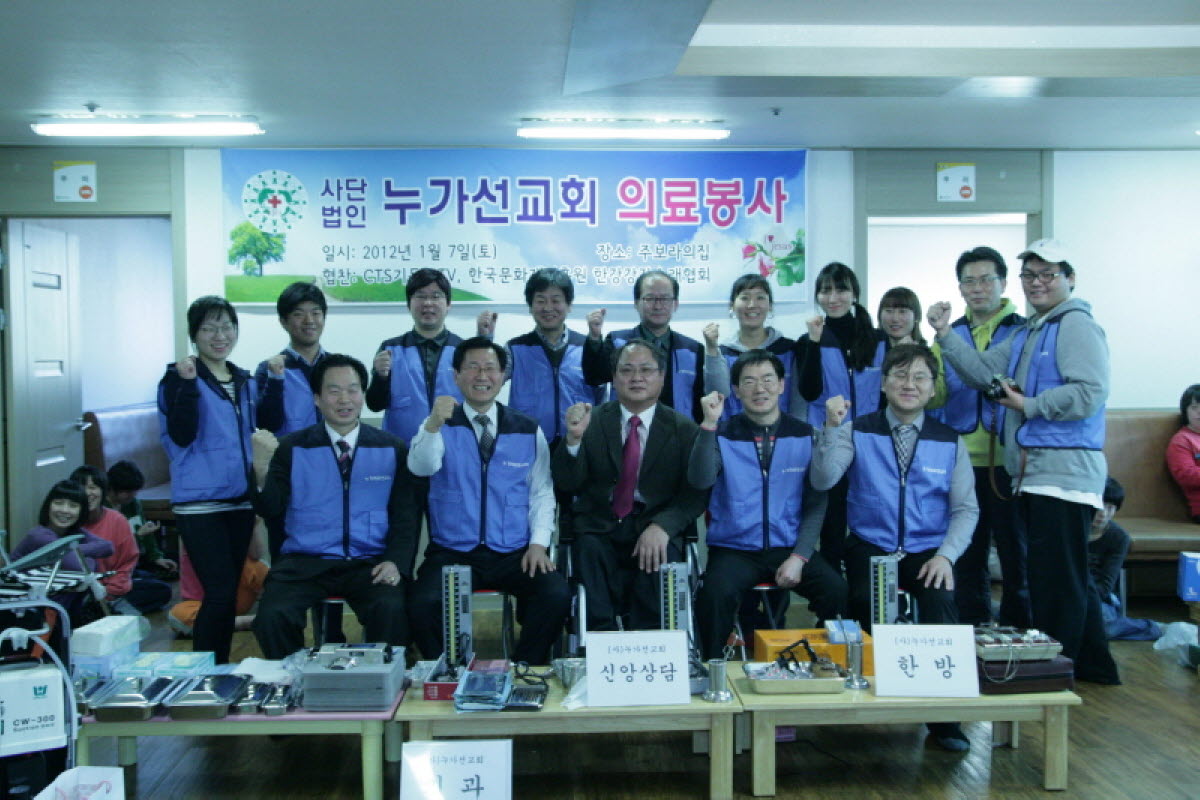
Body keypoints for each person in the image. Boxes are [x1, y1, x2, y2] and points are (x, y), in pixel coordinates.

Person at [928, 238, 1120, 685]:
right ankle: (1094, 667)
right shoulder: (1031, 331)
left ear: (1070, 278)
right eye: (1030, 275)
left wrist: (1029, 405)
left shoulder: (1076, 325)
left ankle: (1053, 673)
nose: (1038, 283)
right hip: (1036, 472)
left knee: (1055, 582)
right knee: (1066, 576)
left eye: (1048, 274)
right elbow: (981, 373)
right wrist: (944, 335)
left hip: (1064, 472)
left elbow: (1090, 392)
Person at [811, 343, 979, 751]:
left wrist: (946, 556)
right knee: (865, 600)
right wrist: (831, 428)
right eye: (900, 376)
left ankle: (945, 720)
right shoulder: (857, 429)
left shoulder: (949, 441)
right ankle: (870, 700)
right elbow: (823, 479)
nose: (910, 384)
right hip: (871, 544)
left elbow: (966, 509)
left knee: (942, 604)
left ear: (932, 388)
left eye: (920, 377)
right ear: (884, 384)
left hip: (927, 550)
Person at [406, 337, 569, 663]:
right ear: (456, 376)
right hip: (453, 550)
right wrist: (433, 424)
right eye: (473, 367)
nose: (482, 375)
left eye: (490, 368)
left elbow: (541, 492)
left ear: (503, 375)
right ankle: (448, 671)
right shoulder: (438, 424)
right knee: (421, 604)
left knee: (555, 594)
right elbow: (420, 467)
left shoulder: (527, 429)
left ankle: (525, 666)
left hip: (514, 552)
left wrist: (539, 544)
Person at [250, 354, 419, 660]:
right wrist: (261, 470)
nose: (344, 399)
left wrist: (395, 561)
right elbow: (270, 509)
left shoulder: (391, 447)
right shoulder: (292, 448)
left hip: (368, 562)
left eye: (353, 390)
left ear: (363, 395)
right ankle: (294, 677)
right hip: (304, 562)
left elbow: (405, 515)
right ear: (317, 398)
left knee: (392, 608)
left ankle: (382, 680)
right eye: (334, 391)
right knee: (272, 616)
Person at [689, 351, 848, 661]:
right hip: (734, 549)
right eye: (749, 382)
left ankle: (830, 663)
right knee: (713, 597)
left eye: (767, 380)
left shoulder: (805, 435)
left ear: (781, 386)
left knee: (836, 590)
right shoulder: (722, 433)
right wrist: (708, 424)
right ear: (736, 391)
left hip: (788, 547)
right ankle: (712, 669)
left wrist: (799, 557)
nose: (759, 389)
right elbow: (700, 479)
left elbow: (817, 503)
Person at [553, 340, 707, 632]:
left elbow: (694, 496)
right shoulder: (592, 421)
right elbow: (567, 482)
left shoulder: (684, 429)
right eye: (627, 370)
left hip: (653, 524)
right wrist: (573, 440)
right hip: (599, 525)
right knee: (588, 554)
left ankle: (649, 646)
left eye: (646, 370)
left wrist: (662, 527)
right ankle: (598, 646)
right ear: (614, 377)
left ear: (661, 376)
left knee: (659, 563)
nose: (636, 378)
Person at [929, 247, 1030, 628]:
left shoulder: (1023, 330)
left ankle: (1020, 633)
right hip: (959, 460)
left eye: (986, 279)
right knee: (967, 552)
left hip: (1009, 460)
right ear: (959, 287)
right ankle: (973, 629)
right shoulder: (949, 333)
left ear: (1003, 283)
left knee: (1015, 551)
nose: (978, 288)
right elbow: (937, 394)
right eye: (969, 281)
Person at [157, 295, 257, 664]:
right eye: (209, 328)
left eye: (227, 327)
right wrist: (187, 384)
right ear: (194, 334)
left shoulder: (243, 380)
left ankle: (218, 670)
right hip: (199, 503)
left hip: (240, 500)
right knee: (217, 592)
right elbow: (181, 434)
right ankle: (206, 675)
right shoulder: (177, 377)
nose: (220, 336)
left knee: (227, 594)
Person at [795, 262, 887, 571]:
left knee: (872, 516)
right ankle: (834, 590)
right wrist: (814, 341)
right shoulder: (808, 340)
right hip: (829, 439)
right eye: (825, 291)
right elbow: (809, 392)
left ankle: (865, 584)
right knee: (831, 521)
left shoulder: (878, 340)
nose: (833, 297)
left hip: (871, 441)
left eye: (841, 290)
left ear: (854, 294)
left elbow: (888, 394)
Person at [581, 269, 722, 423]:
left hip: (679, 431)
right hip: (627, 430)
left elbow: (701, 400)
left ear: (675, 304)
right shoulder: (617, 342)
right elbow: (594, 377)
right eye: (650, 298)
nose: (658, 306)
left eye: (665, 299)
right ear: (636, 303)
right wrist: (594, 337)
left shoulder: (693, 350)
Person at [366, 268, 463, 444]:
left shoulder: (463, 350)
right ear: (408, 304)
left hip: (453, 447)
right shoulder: (390, 349)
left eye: (436, 296)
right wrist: (380, 378)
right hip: (401, 448)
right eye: (420, 296)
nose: (428, 303)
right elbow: (374, 405)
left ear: (448, 304)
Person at [70, 465, 171, 615]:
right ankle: (111, 610)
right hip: (88, 586)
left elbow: (127, 560)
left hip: (114, 580)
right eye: (83, 487)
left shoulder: (118, 517)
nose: (88, 493)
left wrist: (156, 557)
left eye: (92, 487)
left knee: (161, 588)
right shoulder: (71, 519)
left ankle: (109, 609)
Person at [709, 274, 801, 421]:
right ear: (732, 305)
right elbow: (717, 396)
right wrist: (711, 350)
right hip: (733, 432)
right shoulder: (722, 353)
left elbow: (798, 401)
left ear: (770, 306)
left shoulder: (789, 350)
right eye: (745, 298)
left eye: (760, 297)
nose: (752, 304)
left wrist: (795, 431)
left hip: (783, 431)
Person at [1088, 476, 1161, 640]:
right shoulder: (1070, 529)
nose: (1103, 513)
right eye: (1099, 505)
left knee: (1102, 626)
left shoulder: (1119, 538)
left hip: (1099, 598)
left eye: (1110, 508)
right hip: (1067, 593)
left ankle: (1151, 628)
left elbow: (1105, 586)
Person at [255, 281, 329, 436]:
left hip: (331, 451)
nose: (309, 320)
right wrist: (275, 380)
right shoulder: (269, 369)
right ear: (283, 322)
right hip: (289, 451)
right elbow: (265, 424)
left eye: (316, 313)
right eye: (298, 314)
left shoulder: (337, 367)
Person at [106, 459, 177, 579]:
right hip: (118, 565)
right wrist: (137, 535)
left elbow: (147, 536)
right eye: (127, 492)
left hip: (139, 557)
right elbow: (112, 548)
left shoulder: (133, 504)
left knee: (177, 561)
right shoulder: (103, 510)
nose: (132, 495)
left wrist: (157, 558)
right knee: (157, 585)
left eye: (134, 491)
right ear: (112, 488)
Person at [1166, 384, 1200, 522]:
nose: (1199, 412)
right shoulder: (1182, 440)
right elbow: (1186, 476)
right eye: (1194, 407)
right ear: (1185, 411)